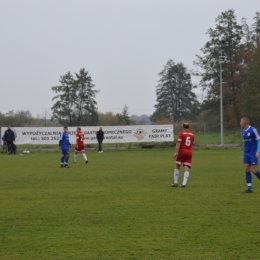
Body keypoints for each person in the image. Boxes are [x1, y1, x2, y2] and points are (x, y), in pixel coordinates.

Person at [171, 122, 194, 188]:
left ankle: (175, 182)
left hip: (182, 151)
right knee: (186, 167)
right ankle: (184, 184)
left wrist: (176, 152)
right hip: (189, 151)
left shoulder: (181, 134)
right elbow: (192, 143)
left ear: (182, 127)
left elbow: (178, 143)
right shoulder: (192, 134)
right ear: (188, 127)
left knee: (177, 165)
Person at [240, 117, 260, 193]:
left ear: (244, 123)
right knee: (246, 169)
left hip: (253, 153)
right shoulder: (243, 131)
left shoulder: (253, 130)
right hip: (246, 153)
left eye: (241, 122)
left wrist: (258, 151)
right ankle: (249, 188)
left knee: (254, 171)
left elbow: (259, 141)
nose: (240, 123)